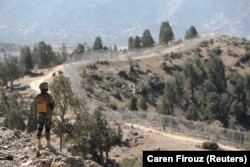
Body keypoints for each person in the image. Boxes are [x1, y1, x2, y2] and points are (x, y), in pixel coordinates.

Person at [36, 82, 55, 149]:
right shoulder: (49, 96)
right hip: (48, 115)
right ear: (46, 88)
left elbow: (36, 105)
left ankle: (39, 144)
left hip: (40, 114)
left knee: (40, 128)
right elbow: (52, 105)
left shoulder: (38, 96)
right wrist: (50, 111)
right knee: (47, 129)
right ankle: (48, 144)